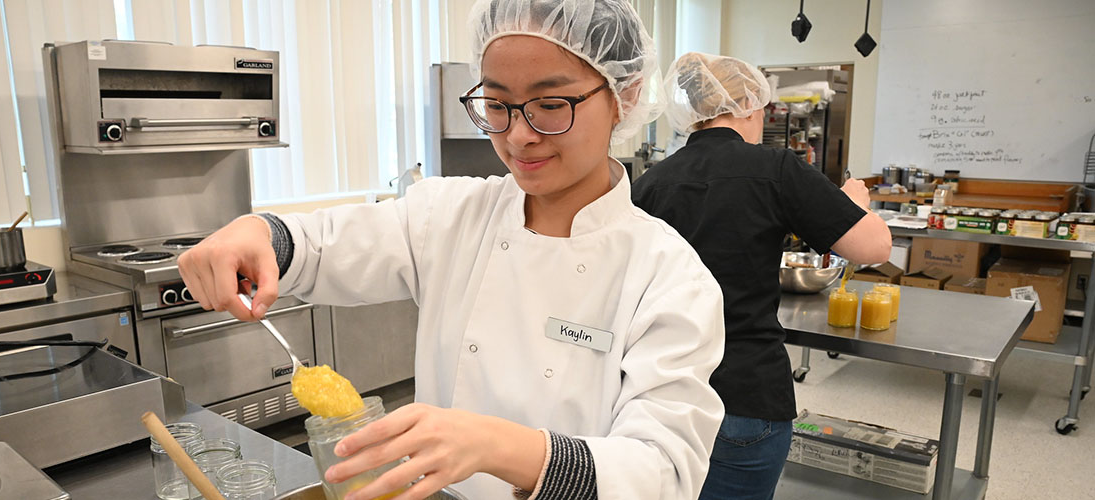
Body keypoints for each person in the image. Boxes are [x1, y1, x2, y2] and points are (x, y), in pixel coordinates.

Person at [179, 3, 727, 499]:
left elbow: (663, 472)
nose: (518, 136)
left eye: (550, 104)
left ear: (624, 96)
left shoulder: (668, 277)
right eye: (497, 105)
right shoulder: (450, 214)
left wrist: (499, 447)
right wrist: (260, 234)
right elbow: (323, 246)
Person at [631, 53, 891, 500]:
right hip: (745, 395)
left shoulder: (652, 182)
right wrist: (854, 204)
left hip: (664, 393)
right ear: (750, 106)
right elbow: (874, 247)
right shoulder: (776, 169)